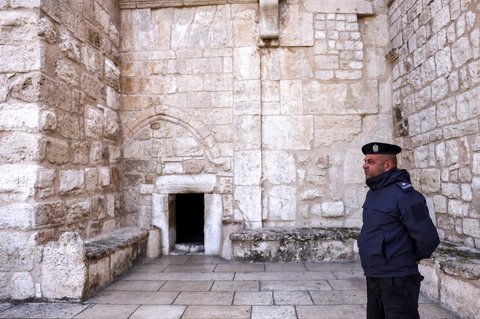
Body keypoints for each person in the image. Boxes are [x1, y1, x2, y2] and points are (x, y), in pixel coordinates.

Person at [357, 142, 440, 319]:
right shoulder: (373, 191)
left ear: (387, 165)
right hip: (374, 274)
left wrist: (407, 257)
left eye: (371, 161)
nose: (364, 165)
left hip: (398, 278)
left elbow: (428, 238)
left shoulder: (406, 196)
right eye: (365, 161)